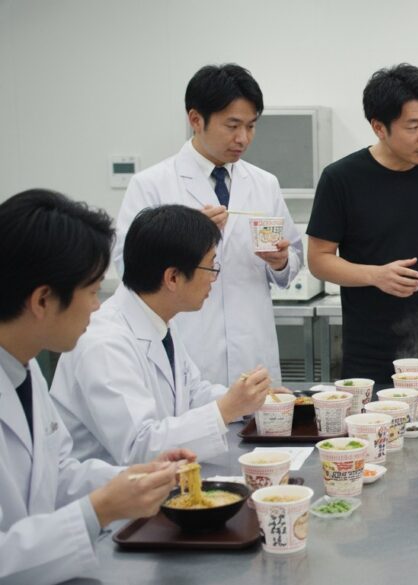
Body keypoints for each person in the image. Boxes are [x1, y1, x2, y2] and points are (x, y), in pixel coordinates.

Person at [0, 190, 191, 584]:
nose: (97, 306)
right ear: (43, 300)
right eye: (91, 291)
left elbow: (58, 474)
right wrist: (99, 509)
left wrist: (134, 480)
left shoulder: (24, 367)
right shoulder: (91, 345)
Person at [113, 63, 304, 385]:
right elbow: (126, 266)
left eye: (251, 126)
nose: (243, 138)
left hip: (252, 348)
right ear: (196, 119)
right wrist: (187, 236)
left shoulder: (264, 183)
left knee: (257, 413)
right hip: (191, 346)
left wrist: (281, 261)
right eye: (232, 125)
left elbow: (293, 259)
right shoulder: (152, 184)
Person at [52, 205, 273, 465]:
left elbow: (191, 394)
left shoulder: (158, 319)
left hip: (158, 478)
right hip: (110, 484)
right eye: (210, 267)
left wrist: (249, 399)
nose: (213, 279)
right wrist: (227, 409)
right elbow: (139, 446)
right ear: (173, 278)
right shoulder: (104, 343)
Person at [307, 63, 418, 386]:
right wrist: (375, 275)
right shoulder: (341, 179)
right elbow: (318, 259)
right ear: (379, 127)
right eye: (413, 126)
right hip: (368, 353)